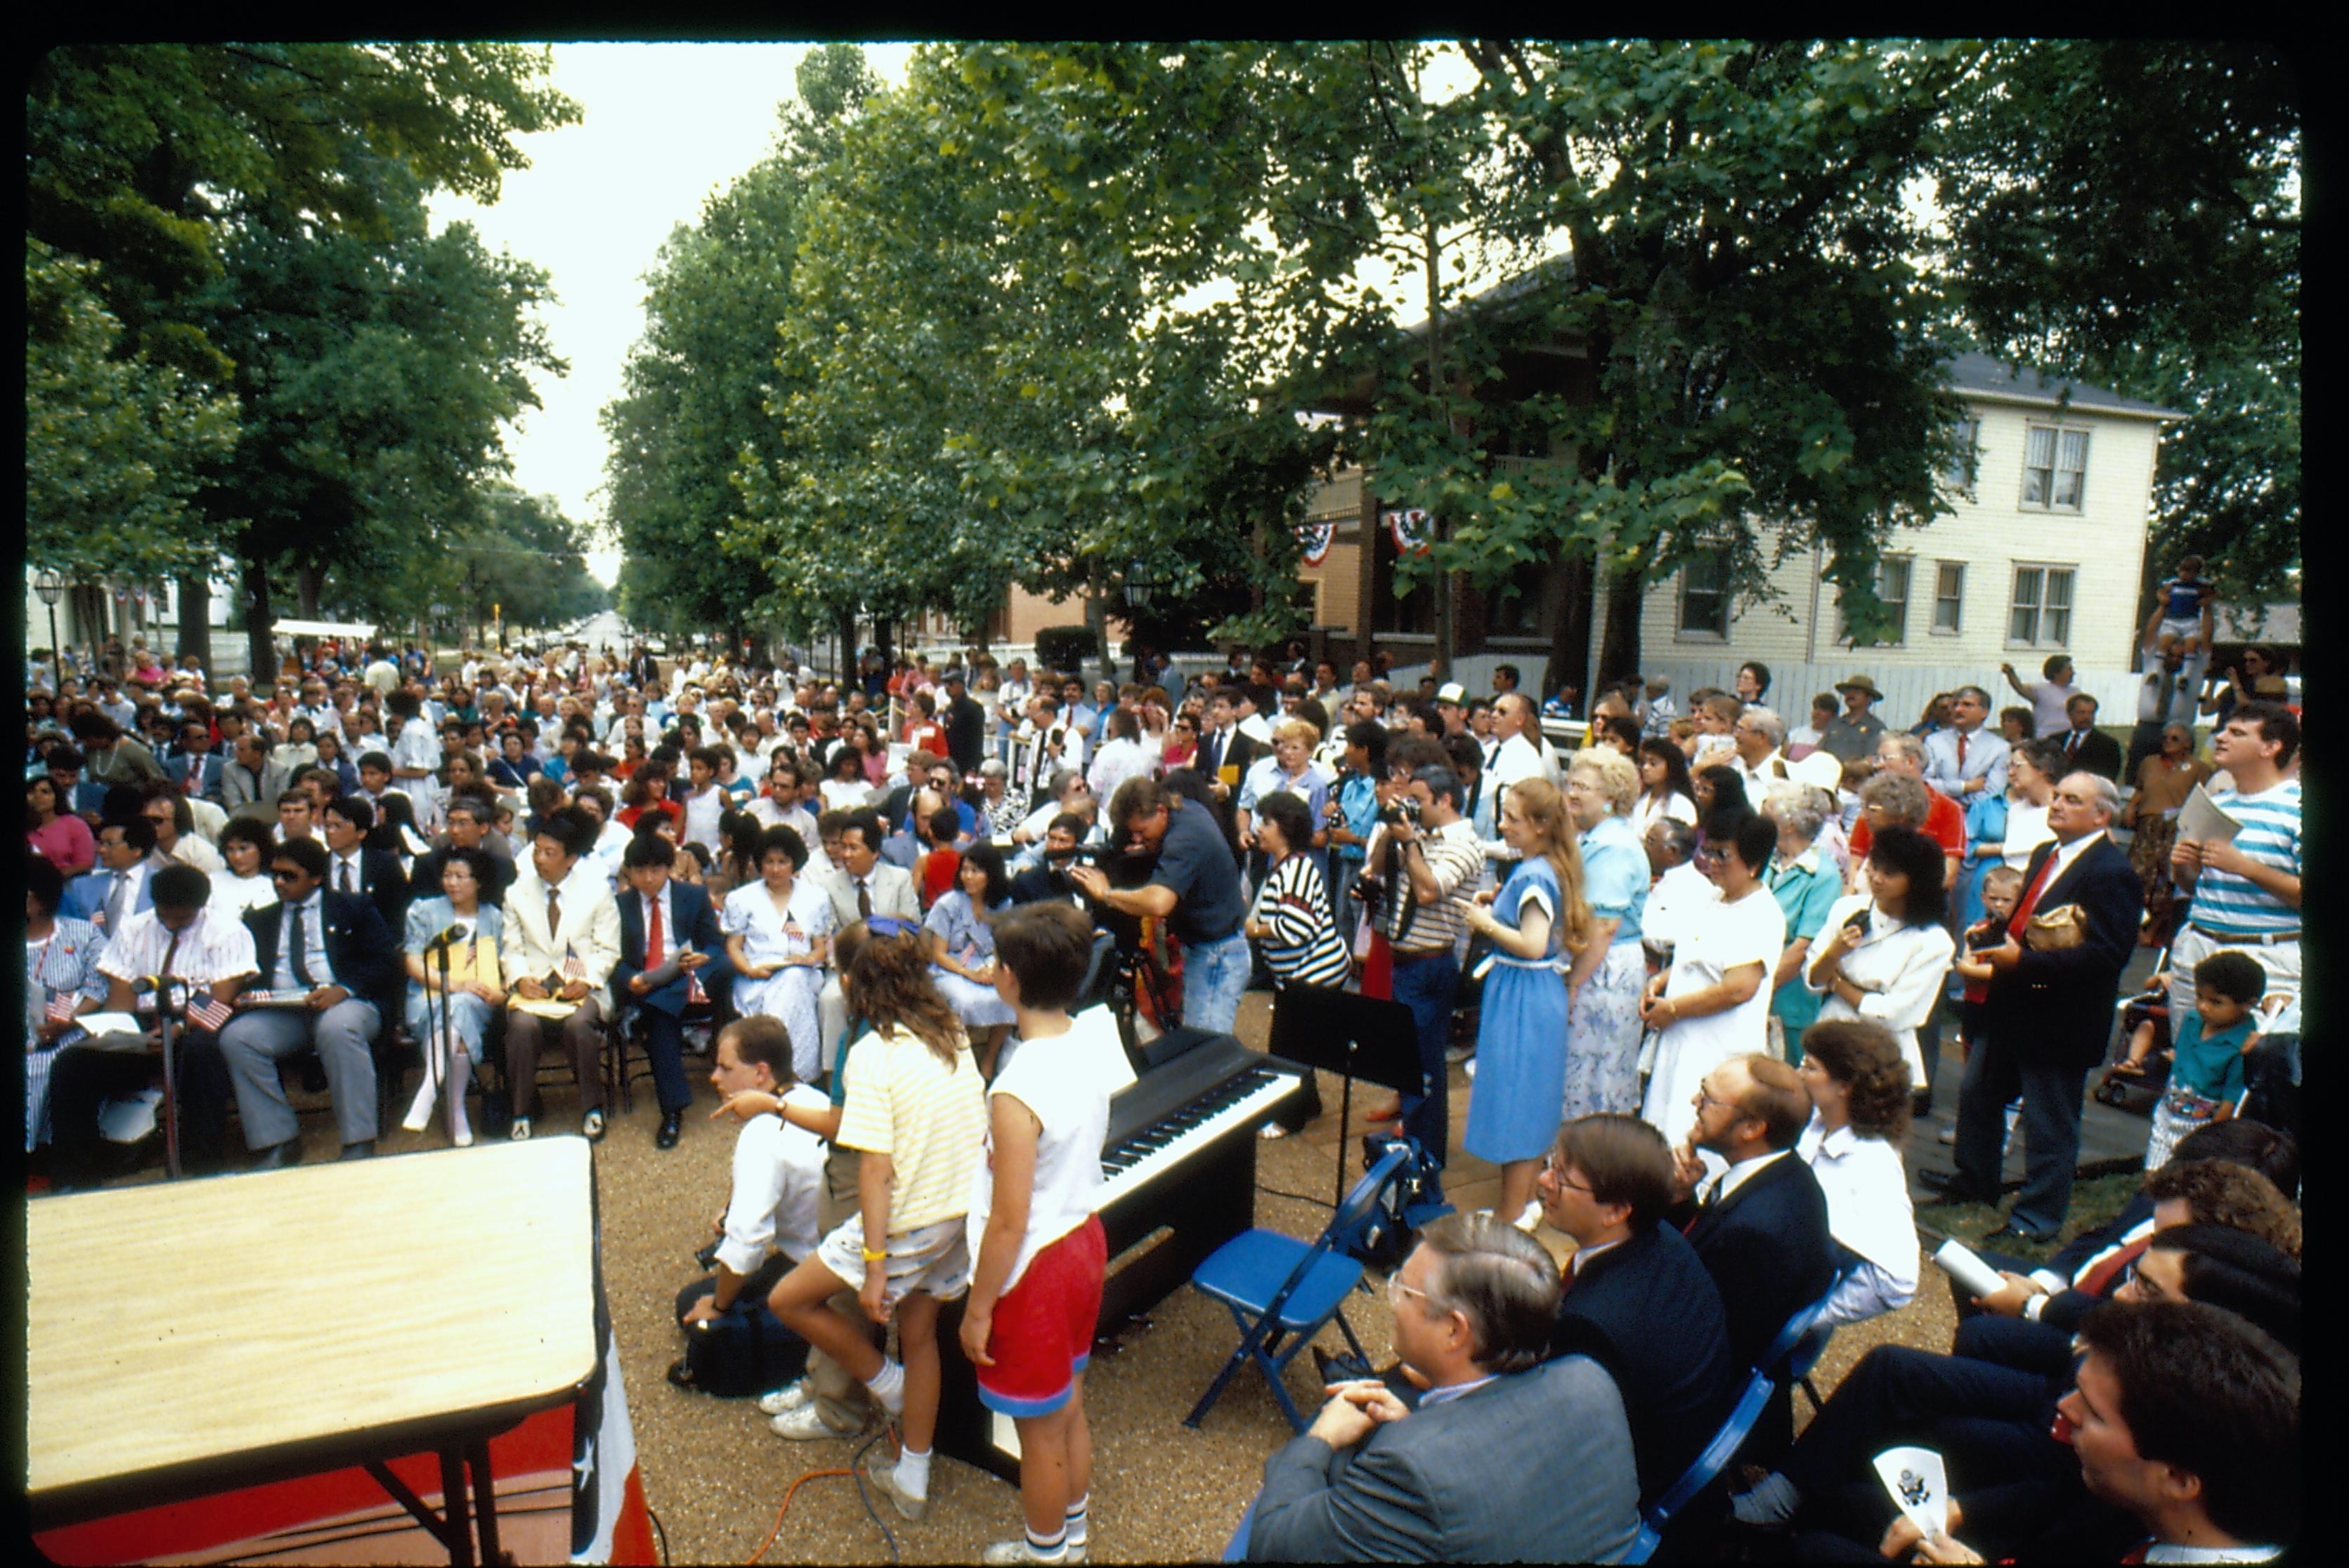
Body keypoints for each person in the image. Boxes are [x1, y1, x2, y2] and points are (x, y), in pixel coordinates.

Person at [1243, 1212, 1642, 1564]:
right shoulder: (1591, 1380)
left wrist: (1321, 1438)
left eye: (1403, 1289)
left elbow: (1273, 1543)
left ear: (1454, 1330)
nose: (1393, 1301)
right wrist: (1424, 1424)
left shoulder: (1410, 1473)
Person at [764, 922, 989, 1525]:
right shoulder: (950, 1032)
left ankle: (885, 1384)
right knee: (919, 1335)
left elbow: (875, 1173)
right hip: (958, 1210)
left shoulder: (870, 1053)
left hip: (910, 1217)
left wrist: (872, 1269)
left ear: (852, 986)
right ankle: (911, 1477)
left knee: (789, 1298)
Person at [959, 902, 1126, 1565]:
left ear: (1007, 977)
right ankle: (1072, 1537)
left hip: (1034, 1267)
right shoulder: (1088, 1040)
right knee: (1070, 1406)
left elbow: (1008, 1219)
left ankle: (1046, 1552)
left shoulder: (1016, 1085)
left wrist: (978, 1308)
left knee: (1037, 1435)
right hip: (1083, 1239)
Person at [1929, 772, 2142, 1239]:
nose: (2058, 805)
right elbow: (2031, 922)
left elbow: (2107, 955)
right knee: (1978, 1094)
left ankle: (2036, 1218)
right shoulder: (2050, 854)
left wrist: (2021, 960)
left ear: (2101, 815)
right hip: (2011, 1006)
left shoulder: (2111, 873)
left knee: (2049, 1122)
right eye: (2059, 796)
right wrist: (1994, 933)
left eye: (2072, 800)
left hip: (2059, 1018)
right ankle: (1975, 1180)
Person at [1540, 1113, 1739, 1510]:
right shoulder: (1663, 1238)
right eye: (1550, 1164)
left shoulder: (1589, 1322)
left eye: (1562, 1179)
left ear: (1615, 1211)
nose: (1544, 1181)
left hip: (1637, 1486)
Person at [48, 863, 252, 1187]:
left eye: (182, 919)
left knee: (200, 1055)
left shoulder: (227, 932)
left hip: (197, 1023)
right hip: (142, 1024)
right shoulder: (133, 929)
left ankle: (201, 1164)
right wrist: (123, 1034)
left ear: (200, 907)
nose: (171, 925)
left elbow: (222, 997)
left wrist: (178, 1029)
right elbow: (120, 997)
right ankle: (79, 1172)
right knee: (73, 1064)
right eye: (165, 916)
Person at [217, 835, 400, 1165]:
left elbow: (384, 961)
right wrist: (251, 994)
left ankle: (359, 1138)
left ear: (316, 877)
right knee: (239, 1037)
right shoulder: (261, 919)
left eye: (290, 876)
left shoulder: (353, 908)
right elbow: (249, 970)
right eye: (275, 874)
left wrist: (344, 989)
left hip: (347, 1002)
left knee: (337, 1028)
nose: (279, 883)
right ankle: (278, 1138)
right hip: (287, 1010)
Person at [1459, 778, 1591, 1227]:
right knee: (1524, 1096)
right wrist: (1498, 904)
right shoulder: (1545, 865)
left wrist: (1484, 922)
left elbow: (1534, 944)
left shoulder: (1535, 872)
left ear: (1539, 825)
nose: (1503, 824)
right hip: (1526, 994)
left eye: (1513, 818)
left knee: (1519, 1102)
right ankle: (1520, 1203)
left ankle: (1511, 1213)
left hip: (1524, 997)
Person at [673, 1015, 829, 1394]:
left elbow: (747, 1242)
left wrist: (720, 1306)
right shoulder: (813, 1100)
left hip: (811, 1264)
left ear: (761, 1073)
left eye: (725, 1068)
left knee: (692, 1304)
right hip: (840, 1254)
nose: (714, 1078)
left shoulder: (761, 1134)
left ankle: (806, 1347)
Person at [1352, 764, 1483, 1181]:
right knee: (1409, 1062)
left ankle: (1425, 1157)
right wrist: (1392, 832)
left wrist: (1409, 843)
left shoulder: (1464, 845)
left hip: (1430, 965)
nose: (1414, 808)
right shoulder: (1421, 835)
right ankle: (1417, 1146)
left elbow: (1428, 890)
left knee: (1424, 1067)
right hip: (1405, 960)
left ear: (1445, 800)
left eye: (1420, 800)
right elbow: (1372, 868)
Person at [1641, 813, 1785, 1147]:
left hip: (1715, 1045)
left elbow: (1738, 988)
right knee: (1662, 1126)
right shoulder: (1712, 898)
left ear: (1753, 863)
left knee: (1692, 1131)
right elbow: (1696, 957)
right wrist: (1663, 981)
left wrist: (1673, 1009)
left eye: (1724, 855)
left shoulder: (1761, 914)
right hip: (1681, 1037)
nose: (1713, 863)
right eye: (1710, 852)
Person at [1074, 776, 1254, 1035]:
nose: (1137, 837)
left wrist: (1106, 894)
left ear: (1160, 811)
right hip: (1207, 947)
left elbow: (1160, 902)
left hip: (1218, 955)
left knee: (1205, 1047)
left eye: (1142, 831)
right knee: (1198, 1040)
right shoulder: (1187, 808)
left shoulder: (1184, 840)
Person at [2166, 702, 2299, 1026]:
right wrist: (2184, 867)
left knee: (2255, 1068)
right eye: (2225, 729)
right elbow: (2196, 886)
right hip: (2198, 947)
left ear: (2270, 747)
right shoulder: (2214, 804)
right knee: (2190, 1061)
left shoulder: (2299, 806)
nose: (2221, 738)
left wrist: (2246, 867)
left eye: (2237, 733)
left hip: (2266, 958)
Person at [500, 805, 623, 1143]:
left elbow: (608, 949)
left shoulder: (597, 891)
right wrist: (521, 978)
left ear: (570, 859)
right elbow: (511, 947)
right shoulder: (517, 892)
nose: (540, 859)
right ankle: (521, 1111)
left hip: (582, 981)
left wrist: (586, 981)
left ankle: (592, 1107)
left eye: (549, 853)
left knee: (579, 1025)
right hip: (536, 983)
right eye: (537, 850)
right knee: (521, 1026)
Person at [1804, 825, 1956, 1092]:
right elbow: (1814, 979)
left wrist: (1837, 984)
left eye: (1890, 873)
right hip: (1831, 1030)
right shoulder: (1847, 908)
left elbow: (1892, 1015)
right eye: (1874, 867)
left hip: (1881, 1049)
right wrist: (1834, 953)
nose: (1876, 878)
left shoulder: (1933, 942)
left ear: (1916, 881)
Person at [1792, 1019, 1918, 1326]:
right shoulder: (1815, 1126)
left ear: (1844, 1086)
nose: (1798, 1075)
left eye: (1810, 1068)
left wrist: (1805, 1322)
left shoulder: (1872, 1166)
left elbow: (1899, 1281)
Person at [613, 829, 734, 1149]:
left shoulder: (692, 895)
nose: (649, 878)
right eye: (640, 871)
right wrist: (631, 980)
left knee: (719, 968)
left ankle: (672, 1110)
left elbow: (716, 945)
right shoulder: (620, 905)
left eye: (656, 870)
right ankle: (672, 1112)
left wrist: (704, 956)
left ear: (669, 868)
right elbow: (612, 958)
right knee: (661, 1015)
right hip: (647, 981)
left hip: (689, 979)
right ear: (629, 872)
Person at [1558, 750, 1648, 1118]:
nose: (1572, 794)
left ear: (1611, 796)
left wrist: (1573, 983)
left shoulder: (1614, 846)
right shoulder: (1594, 838)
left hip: (1604, 968)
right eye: (1571, 784)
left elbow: (1604, 925)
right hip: (1595, 960)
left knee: (1596, 1067)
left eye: (1583, 787)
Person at [398, 846, 506, 1147]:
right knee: (455, 1009)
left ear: (479, 881)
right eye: (447, 876)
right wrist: (454, 984)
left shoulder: (494, 918)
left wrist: (500, 992)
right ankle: (454, 1109)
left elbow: (504, 964)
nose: (452, 883)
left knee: (460, 1009)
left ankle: (431, 1091)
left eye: (460, 876)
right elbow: (413, 961)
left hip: (478, 1000)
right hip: (428, 996)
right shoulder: (425, 910)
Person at [24, 855, 113, 1163]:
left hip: (67, 1032)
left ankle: (48, 1156)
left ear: (34, 901)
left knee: (58, 1066)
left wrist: (69, 1020)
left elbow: (96, 989)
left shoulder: (82, 934)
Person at [2142, 951, 2262, 1170]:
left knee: (2184, 1178)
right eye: (2199, 997)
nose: (2203, 1006)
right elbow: (2179, 1062)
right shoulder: (2191, 1021)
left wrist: (2210, 1138)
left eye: (2216, 1002)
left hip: (2200, 1124)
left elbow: (2231, 1099)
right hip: (2169, 1109)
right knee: (2153, 1172)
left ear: (2247, 1004)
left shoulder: (2242, 1046)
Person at [1763, 785, 1846, 1066]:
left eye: (1768, 814)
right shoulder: (1768, 861)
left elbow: (1803, 947)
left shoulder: (1823, 876)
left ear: (1787, 826)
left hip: (1788, 999)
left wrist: (1761, 987)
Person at [925, 842, 1019, 1073]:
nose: (968, 877)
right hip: (951, 968)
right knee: (964, 1001)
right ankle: (962, 1063)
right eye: (965, 870)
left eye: (976, 871)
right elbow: (938, 953)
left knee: (1010, 997)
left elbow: (1003, 946)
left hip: (988, 966)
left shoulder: (1003, 904)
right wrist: (969, 974)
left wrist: (992, 969)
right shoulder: (948, 904)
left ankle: (989, 1060)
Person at [1244, 790, 1351, 991]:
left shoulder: (1295, 871)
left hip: (1316, 979)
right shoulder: (1285, 867)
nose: (1259, 830)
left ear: (1287, 830)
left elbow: (1295, 927)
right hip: (1301, 979)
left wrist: (1255, 930)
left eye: (1267, 824)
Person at [2126, 721, 2212, 943]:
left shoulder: (2199, 768)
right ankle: (2132, 925)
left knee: (2165, 881)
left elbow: (2202, 800)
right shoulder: (2150, 763)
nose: (2167, 742)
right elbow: (2140, 790)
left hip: (2174, 828)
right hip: (2147, 827)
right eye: (2165, 737)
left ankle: (2153, 931)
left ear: (2188, 743)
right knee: (2136, 875)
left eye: (2175, 738)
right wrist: (2130, 807)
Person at [1922, 686, 2010, 803]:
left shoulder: (1999, 748)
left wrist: (1955, 804)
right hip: (1938, 813)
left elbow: (1992, 793)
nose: (1958, 710)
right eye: (1955, 705)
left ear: (1984, 712)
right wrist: (1965, 787)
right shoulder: (1933, 741)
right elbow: (1924, 784)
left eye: (1967, 705)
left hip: (1976, 817)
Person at [2145, 552, 2220, 660]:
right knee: (2165, 642)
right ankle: (2158, 668)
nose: (2184, 575)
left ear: (2195, 573)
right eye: (2182, 571)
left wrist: (2206, 600)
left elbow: (2215, 593)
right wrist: (2163, 598)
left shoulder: (2200, 586)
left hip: (2191, 620)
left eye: (2188, 572)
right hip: (2172, 619)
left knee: (2191, 646)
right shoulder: (2173, 583)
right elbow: (2161, 591)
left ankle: (2186, 672)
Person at [27, 774, 97, 876]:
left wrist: (53, 878)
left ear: (56, 796)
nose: (38, 796)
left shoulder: (74, 824)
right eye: (32, 792)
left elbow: (85, 865)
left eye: (45, 792)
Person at [1998, 653, 2080, 739]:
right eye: (2069, 669)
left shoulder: (2075, 692)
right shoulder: (2041, 690)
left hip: (2069, 739)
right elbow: (2020, 688)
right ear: (2057, 672)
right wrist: (2010, 673)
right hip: (2046, 739)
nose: (2073, 673)